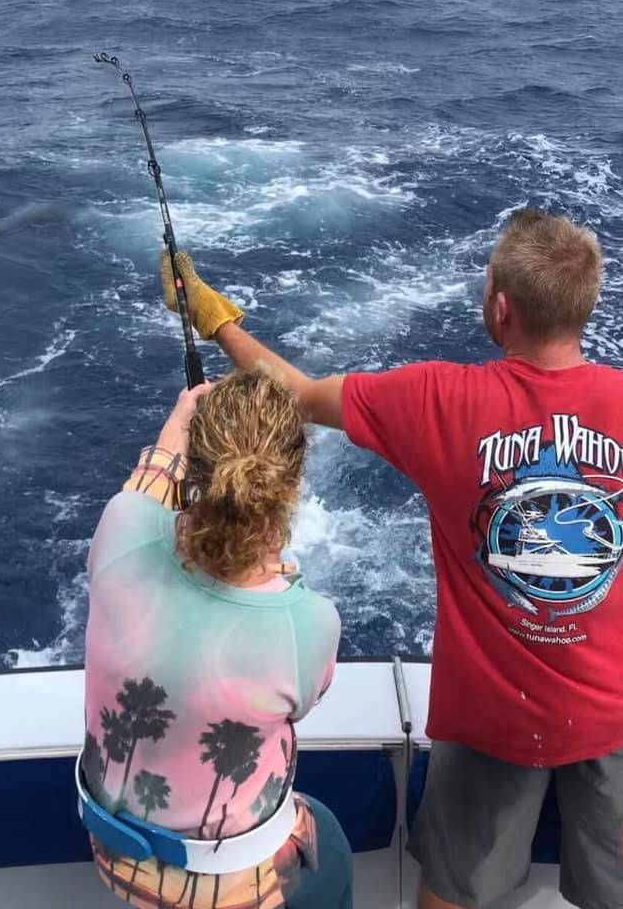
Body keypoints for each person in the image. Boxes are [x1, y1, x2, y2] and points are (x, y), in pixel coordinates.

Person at [159, 208, 623, 909]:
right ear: (586, 306)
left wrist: (213, 316)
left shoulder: (441, 398)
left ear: (500, 307)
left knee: (451, 895)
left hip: (493, 719)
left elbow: (296, 396)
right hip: (617, 717)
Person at [81, 369, 353, 909]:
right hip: (232, 888)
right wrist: (281, 577)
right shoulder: (308, 621)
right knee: (331, 844)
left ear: (197, 463)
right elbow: (302, 703)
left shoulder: (121, 528)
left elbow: (148, 487)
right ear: (290, 484)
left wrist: (180, 419)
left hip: (116, 859)